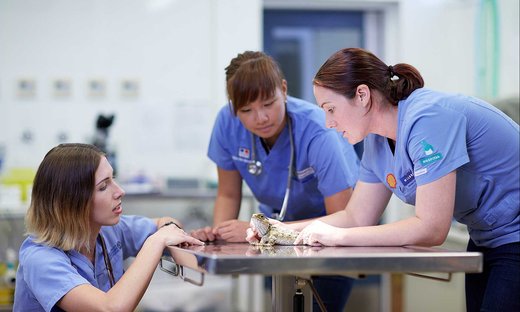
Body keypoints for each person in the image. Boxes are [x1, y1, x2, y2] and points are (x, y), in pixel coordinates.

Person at [256, 47, 518, 312]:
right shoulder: (377, 143)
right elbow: (356, 217)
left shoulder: (428, 118)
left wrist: (339, 237)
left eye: (331, 109)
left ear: (362, 95)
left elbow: (431, 228)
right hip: (488, 237)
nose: (328, 123)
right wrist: (280, 230)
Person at [190, 51, 360, 311]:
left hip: (330, 239)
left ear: (283, 89)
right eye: (246, 110)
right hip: (275, 240)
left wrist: (266, 231)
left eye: (269, 104)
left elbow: (343, 218)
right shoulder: (227, 123)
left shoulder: (318, 131)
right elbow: (228, 194)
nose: (261, 118)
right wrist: (219, 236)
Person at [13, 143, 204, 311]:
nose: (120, 191)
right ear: (72, 202)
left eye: (113, 179)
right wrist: (156, 242)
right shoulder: (41, 260)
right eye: (104, 187)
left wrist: (176, 242)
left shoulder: (107, 231)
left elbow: (166, 223)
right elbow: (110, 308)